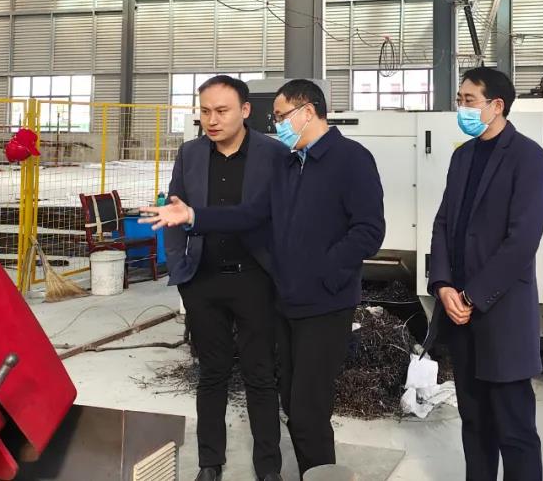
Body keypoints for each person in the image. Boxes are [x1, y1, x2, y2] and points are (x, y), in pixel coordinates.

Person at [143, 79, 385, 477]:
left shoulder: (350, 158)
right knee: (292, 401)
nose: (278, 125)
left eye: (282, 116)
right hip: (288, 301)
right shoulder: (291, 164)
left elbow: (369, 231)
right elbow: (252, 214)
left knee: (306, 409)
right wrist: (193, 217)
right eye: (275, 118)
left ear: (308, 111)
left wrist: (323, 271)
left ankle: (310, 473)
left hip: (324, 301)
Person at [423, 67, 543, 481]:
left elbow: (521, 241)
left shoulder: (527, 157)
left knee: (515, 429)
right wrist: (442, 285)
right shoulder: (463, 156)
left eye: (469, 100)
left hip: (501, 313)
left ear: (497, 105)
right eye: (459, 100)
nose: (461, 108)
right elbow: (443, 224)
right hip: (459, 315)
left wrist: (472, 296)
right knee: (474, 424)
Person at [164, 75, 285, 481]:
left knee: (260, 374)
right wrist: (181, 271)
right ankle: (209, 463)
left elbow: (281, 216)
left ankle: (268, 468)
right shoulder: (191, 154)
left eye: (221, 111)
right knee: (212, 373)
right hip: (203, 280)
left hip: (255, 280)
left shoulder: (273, 154)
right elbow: (174, 212)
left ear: (245, 110)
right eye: (205, 111)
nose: (211, 120)